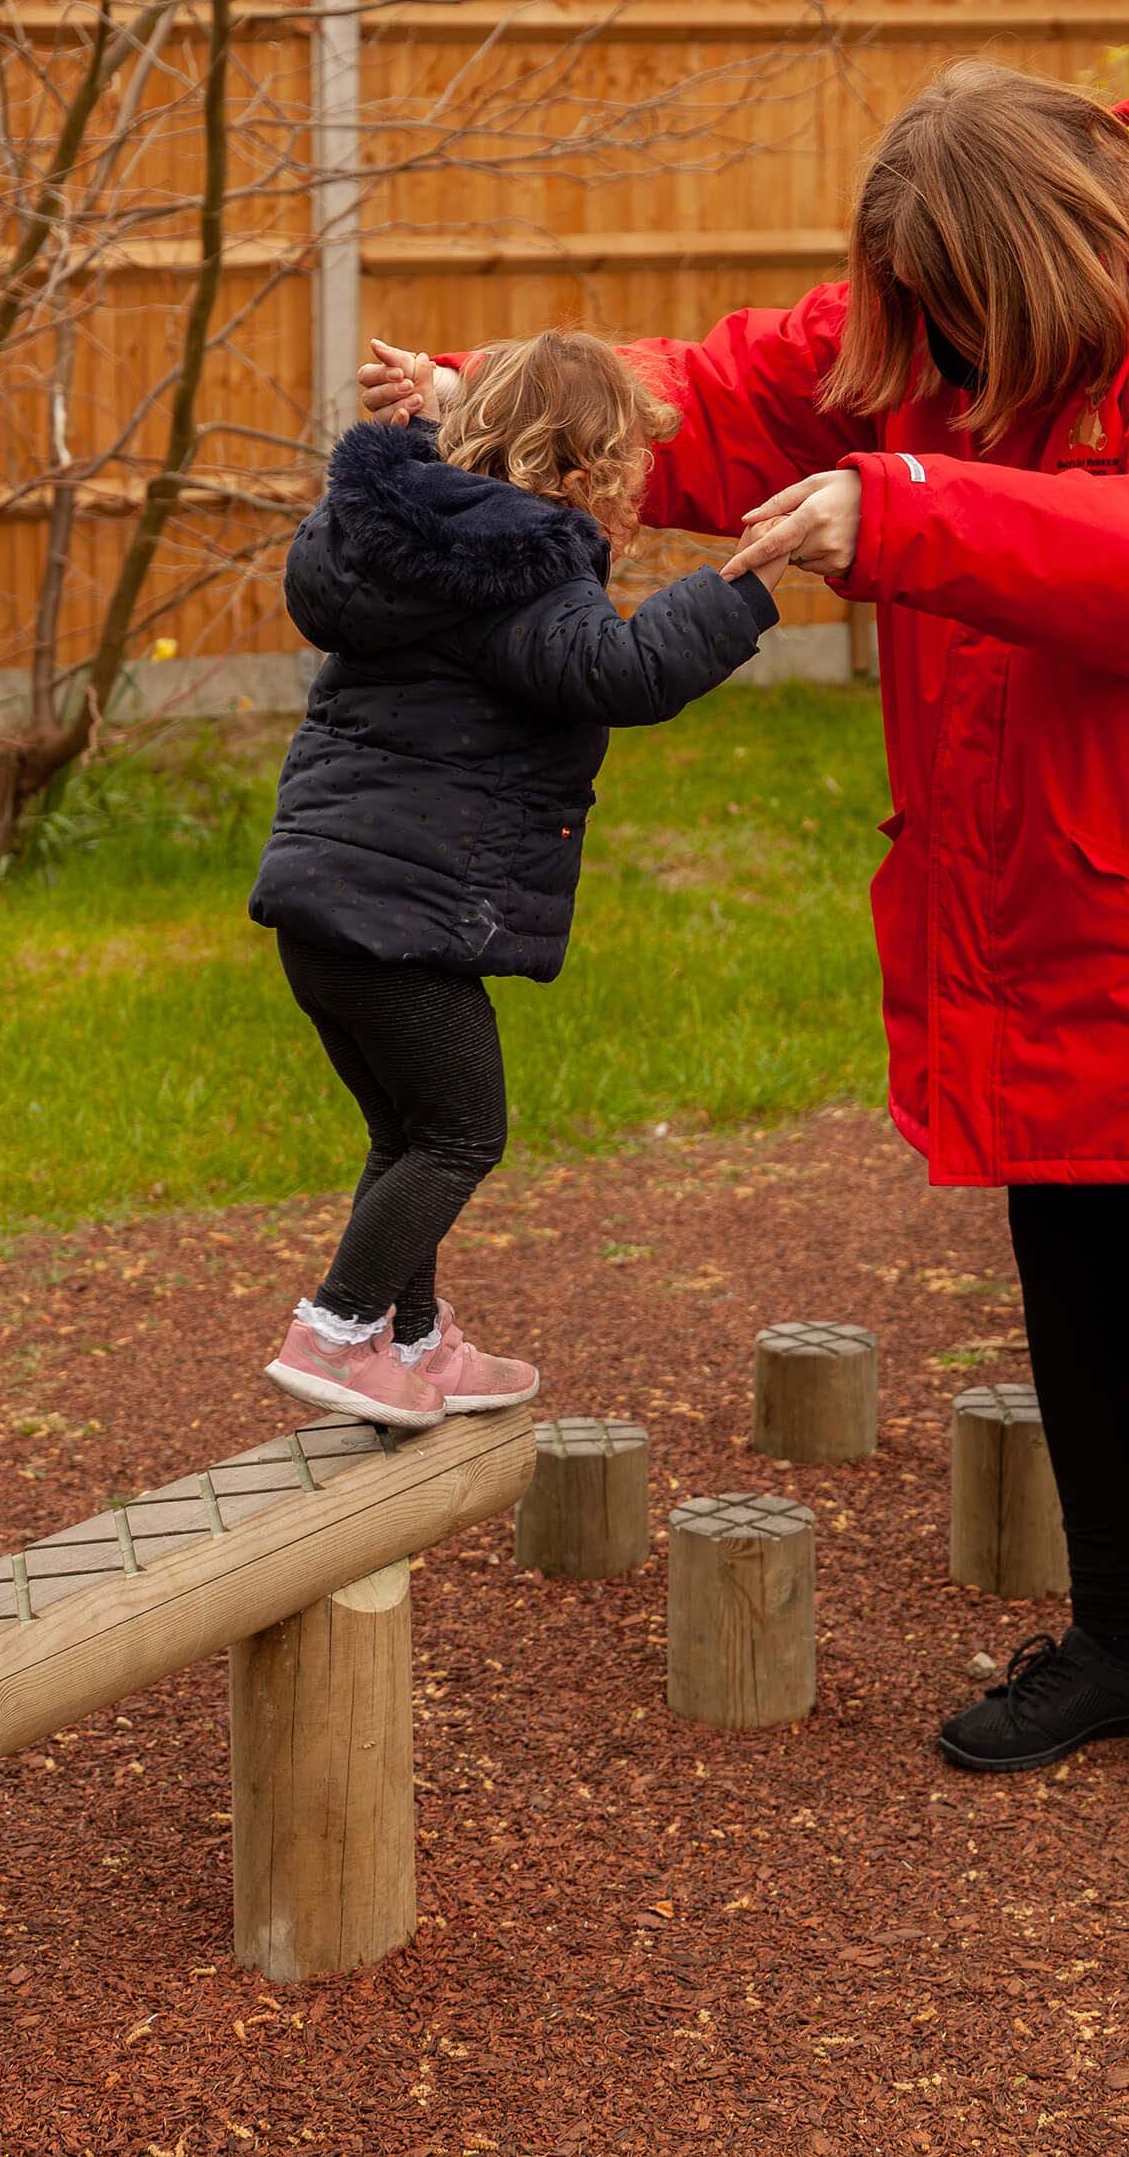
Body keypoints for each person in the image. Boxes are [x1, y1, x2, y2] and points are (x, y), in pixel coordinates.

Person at [360, 65, 1129, 1815]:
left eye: (953, 310)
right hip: (1047, 884)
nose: (928, 348)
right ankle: (1125, 1639)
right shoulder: (938, 337)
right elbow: (741, 387)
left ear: (1034, 257)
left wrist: (906, 506)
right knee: (1067, 1265)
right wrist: (501, 395)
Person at [253, 329, 785, 1432]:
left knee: (406, 1134)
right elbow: (623, 671)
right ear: (581, 481)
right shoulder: (525, 571)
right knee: (461, 1134)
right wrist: (745, 582)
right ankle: (339, 1328)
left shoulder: (400, 544)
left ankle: (412, 1341)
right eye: (629, 485)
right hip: (403, 922)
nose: (633, 510)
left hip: (323, 905)